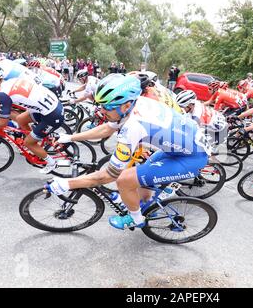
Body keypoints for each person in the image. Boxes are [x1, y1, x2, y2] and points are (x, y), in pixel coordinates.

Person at [44, 74, 211, 230]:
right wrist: (71, 138)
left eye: (107, 107)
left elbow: (108, 175)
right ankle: (145, 203)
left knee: (124, 180)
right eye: (100, 105)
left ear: (125, 104)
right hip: (184, 147)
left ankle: (136, 219)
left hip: (192, 157)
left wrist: (66, 184)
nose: (102, 111)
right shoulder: (135, 103)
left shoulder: (133, 126)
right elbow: (106, 129)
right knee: (142, 179)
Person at [0, 62, 64, 174]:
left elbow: (2, 123)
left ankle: (51, 163)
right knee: (21, 119)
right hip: (48, 107)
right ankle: (37, 139)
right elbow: (3, 101)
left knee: (28, 143)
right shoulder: (9, 82)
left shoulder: (4, 94)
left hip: (52, 115)